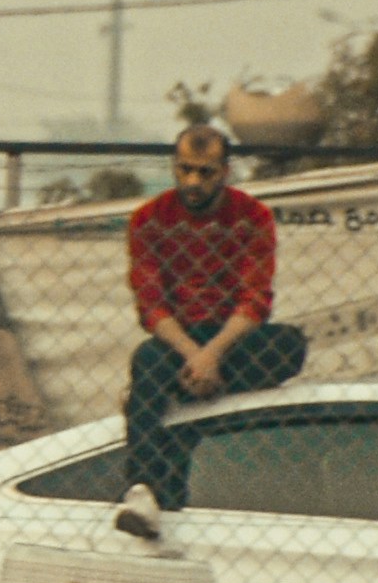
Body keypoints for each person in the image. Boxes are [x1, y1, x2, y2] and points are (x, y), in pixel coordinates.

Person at [117, 119, 304, 530]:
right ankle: (144, 491)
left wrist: (212, 356)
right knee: (149, 358)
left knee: (290, 346)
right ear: (173, 167)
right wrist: (194, 357)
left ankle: (170, 391)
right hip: (177, 341)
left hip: (232, 338)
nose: (193, 181)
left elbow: (255, 300)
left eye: (205, 172)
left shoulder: (252, 216)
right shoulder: (150, 219)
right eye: (184, 169)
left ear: (225, 172)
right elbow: (151, 306)